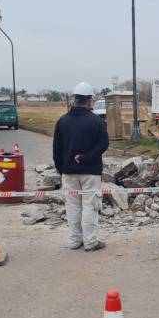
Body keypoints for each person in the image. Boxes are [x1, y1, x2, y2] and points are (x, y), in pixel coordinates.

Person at [53, 82, 109, 251]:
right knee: (90, 207)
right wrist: (87, 158)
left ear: (75, 100)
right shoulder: (96, 121)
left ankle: (75, 240)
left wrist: (61, 169)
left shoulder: (62, 122)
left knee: (73, 207)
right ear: (89, 101)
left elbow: (56, 150)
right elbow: (104, 144)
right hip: (91, 173)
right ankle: (90, 242)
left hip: (69, 173)